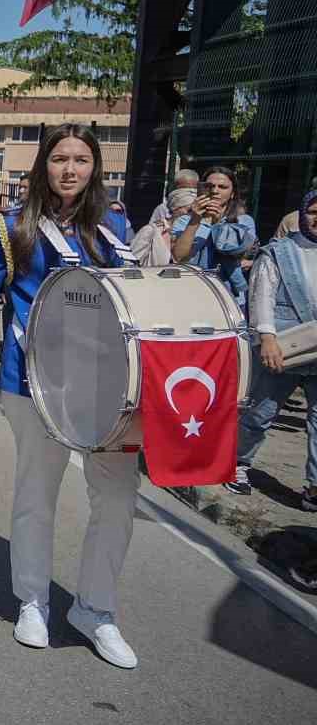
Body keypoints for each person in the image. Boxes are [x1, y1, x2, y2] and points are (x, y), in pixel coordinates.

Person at [0, 123, 141, 669]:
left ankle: (96, 609)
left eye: (81, 159)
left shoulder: (113, 226)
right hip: (32, 380)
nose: (69, 169)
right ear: (43, 166)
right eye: (59, 158)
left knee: (117, 499)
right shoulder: (12, 226)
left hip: (106, 386)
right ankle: (33, 600)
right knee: (38, 493)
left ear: (94, 167)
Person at [236, 188, 317, 509]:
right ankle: (238, 463)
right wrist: (267, 337)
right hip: (283, 345)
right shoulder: (278, 252)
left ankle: (314, 486)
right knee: (261, 411)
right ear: (302, 213)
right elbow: (261, 297)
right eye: (313, 210)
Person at [172, 166, 257, 307]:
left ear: (232, 194)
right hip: (191, 291)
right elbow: (179, 257)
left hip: (228, 295)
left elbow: (237, 253)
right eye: (210, 186)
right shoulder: (185, 221)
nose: (215, 191)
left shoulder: (243, 221)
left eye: (222, 187)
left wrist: (218, 224)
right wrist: (195, 220)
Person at [130, 187, 196, 267]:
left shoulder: (192, 234)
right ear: (175, 208)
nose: (192, 215)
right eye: (189, 210)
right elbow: (132, 262)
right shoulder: (151, 230)